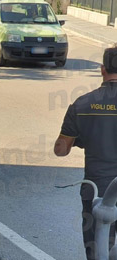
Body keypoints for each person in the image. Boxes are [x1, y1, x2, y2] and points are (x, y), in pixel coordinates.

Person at [54, 45, 117, 259]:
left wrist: (83, 139)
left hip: (97, 190)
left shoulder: (82, 104)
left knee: (97, 248)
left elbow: (61, 150)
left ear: (102, 69)